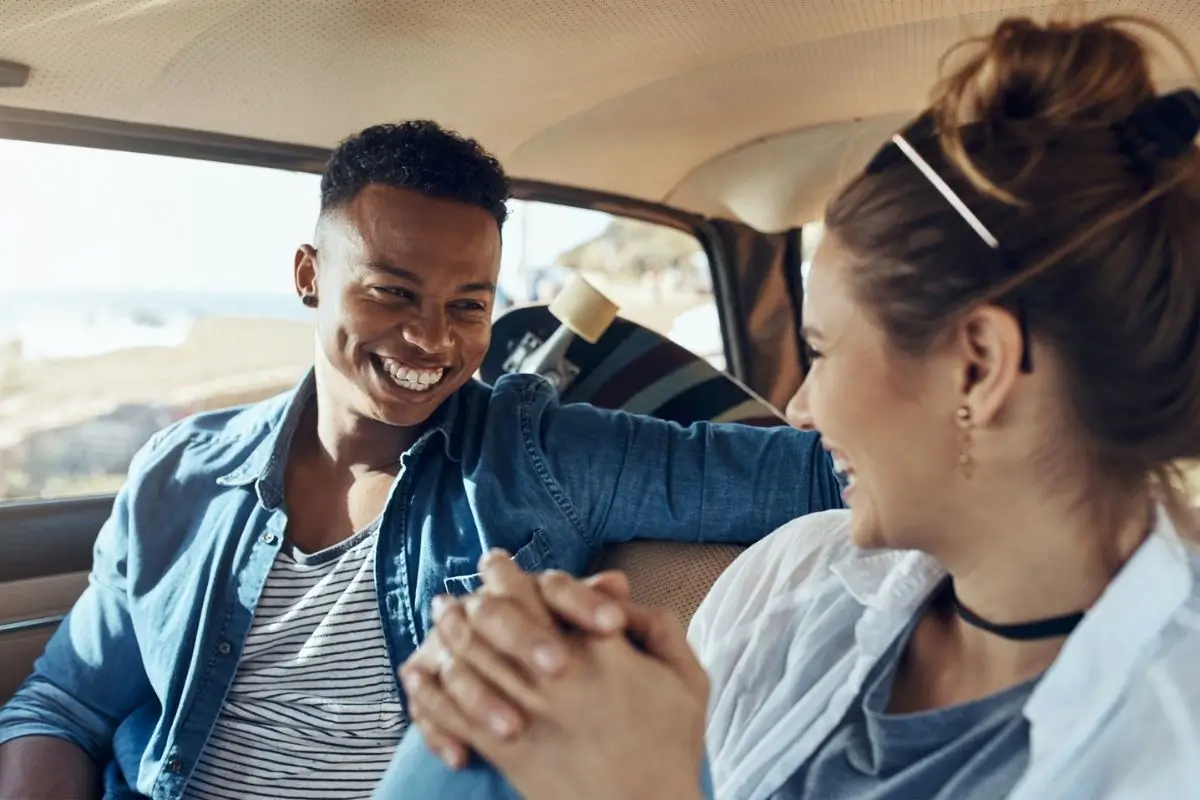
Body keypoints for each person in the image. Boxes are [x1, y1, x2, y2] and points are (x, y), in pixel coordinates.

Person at [376, 15, 1200, 800]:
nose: (798, 410)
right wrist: (514, 686)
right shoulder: (793, 579)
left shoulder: (1173, 746)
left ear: (978, 366)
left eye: (826, 352)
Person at [0, 122, 844, 800]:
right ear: (308, 275)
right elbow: (65, 704)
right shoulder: (176, 473)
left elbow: (818, 471)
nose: (433, 339)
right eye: (392, 292)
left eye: (468, 304)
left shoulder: (538, 451)